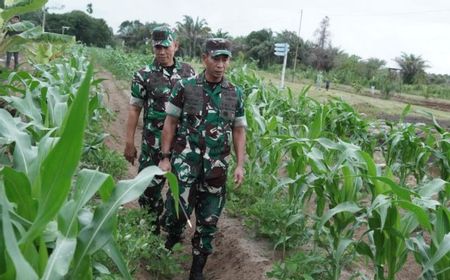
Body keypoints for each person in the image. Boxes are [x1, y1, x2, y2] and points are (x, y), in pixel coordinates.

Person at [159, 38, 247, 280]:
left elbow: (239, 130)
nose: (220, 64)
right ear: (204, 58)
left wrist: (240, 164)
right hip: (185, 165)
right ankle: (170, 243)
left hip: (216, 168)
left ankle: (197, 270)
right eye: (216, 58)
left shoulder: (234, 93)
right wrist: (165, 157)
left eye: (225, 59)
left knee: (209, 221)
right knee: (178, 211)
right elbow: (170, 123)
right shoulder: (186, 87)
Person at [124, 25, 195, 235]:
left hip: (182, 144)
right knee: (148, 192)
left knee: (182, 191)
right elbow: (134, 109)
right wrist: (129, 142)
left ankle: (172, 227)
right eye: (157, 48)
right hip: (152, 143)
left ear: (176, 45)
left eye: (166, 46)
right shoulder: (143, 75)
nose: (162, 52)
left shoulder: (188, 72)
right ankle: (152, 234)